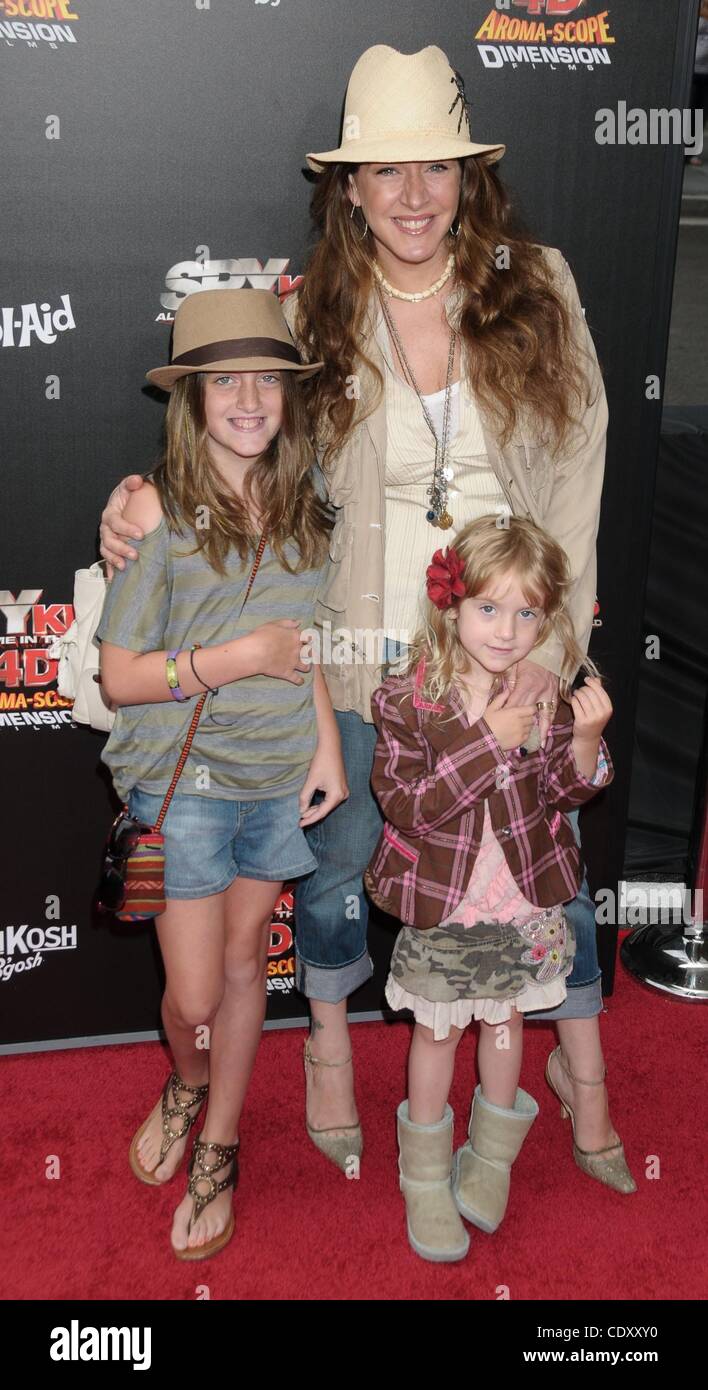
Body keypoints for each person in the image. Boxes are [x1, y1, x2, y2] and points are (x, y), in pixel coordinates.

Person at [98, 44, 629, 1187]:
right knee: (338, 870)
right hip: (355, 659)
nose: (412, 195)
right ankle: (331, 1050)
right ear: (347, 187)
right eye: (383, 170)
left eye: (433, 166)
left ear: (468, 174)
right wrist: (141, 493)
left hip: (508, 651)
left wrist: (555, 652)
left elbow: (580, 480)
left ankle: (582, 1083)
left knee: (550, 872)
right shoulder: (322, 310)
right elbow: (243, 446)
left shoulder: (539, 285)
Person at [97, 288, 348, 1259]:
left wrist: (324, 739)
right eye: (223, 379)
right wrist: (236, 656)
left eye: (266, 378)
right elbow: (120, 678)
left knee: (249, 967)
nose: (248, 396)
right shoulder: (155, 508)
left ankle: (223, 1142)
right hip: (183, 787)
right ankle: (188, 1078)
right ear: (193, 396)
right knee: (195, 996)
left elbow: (307, 644)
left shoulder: (307, 505)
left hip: (277, 777)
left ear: (289, 392)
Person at [364, 515, 630, 1263]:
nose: (507, 630)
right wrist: (488, 744)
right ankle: (423, 1176)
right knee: (439, 1030)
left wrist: (580, 744)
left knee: (506, 1022)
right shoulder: (407, 698)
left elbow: (560, 792)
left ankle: (490, 1159)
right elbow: (407, 806)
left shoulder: (540, 695)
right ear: (452, 606)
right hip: (443, 896)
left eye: (527, 614)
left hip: (520, 896)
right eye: (489, 608)